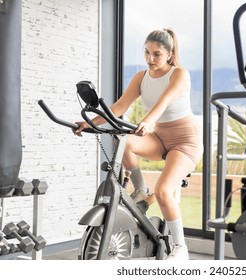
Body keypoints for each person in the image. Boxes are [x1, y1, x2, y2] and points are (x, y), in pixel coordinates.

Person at [73, 28, 203, 260]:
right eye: (146, 53)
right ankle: (141, 191)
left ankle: (181, 249)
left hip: (185, 142)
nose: (150, 59)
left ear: (170, 56)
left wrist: (147, 121)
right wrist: (89, 123)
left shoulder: (179, 74)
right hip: (160, 139)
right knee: (124, 140)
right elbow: (119, 108)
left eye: (156, 54)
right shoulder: (141, 77)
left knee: (163, 191)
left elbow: (163, 103)